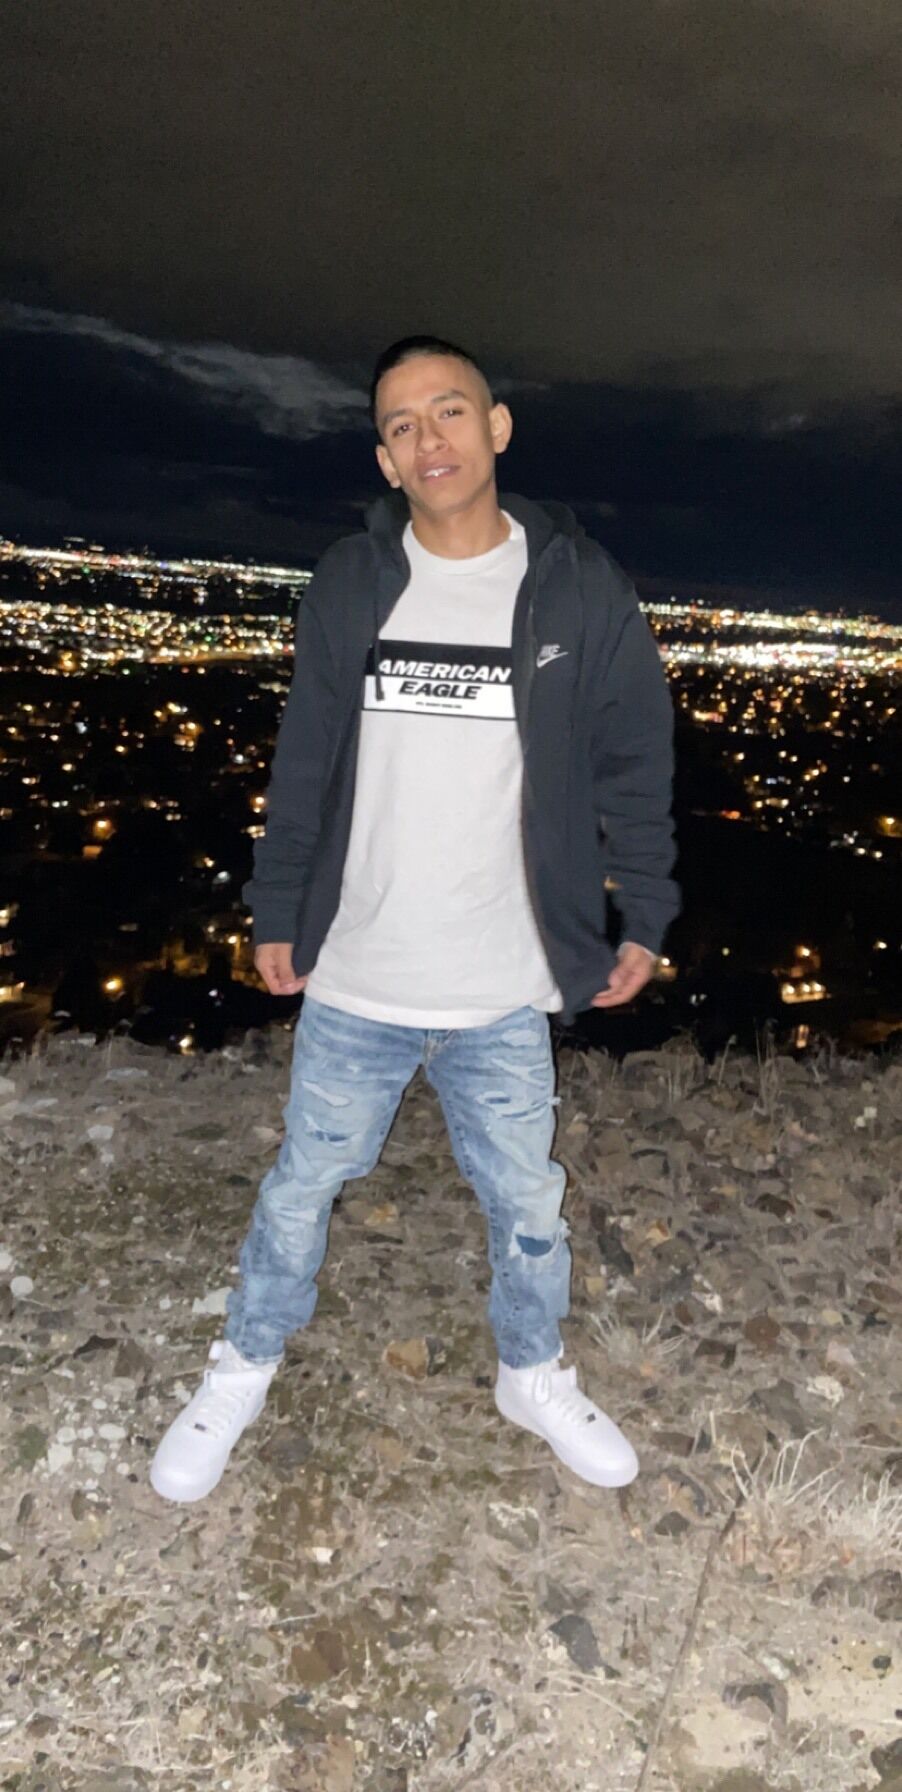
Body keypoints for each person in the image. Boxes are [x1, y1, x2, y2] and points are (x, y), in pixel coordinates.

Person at [150, 335, 679, 1504]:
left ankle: (531, 1371)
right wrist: (277, 903)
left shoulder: (575, 585)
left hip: (502, 978)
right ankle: (243, 1362)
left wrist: (643, 906)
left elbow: (633, 756)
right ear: (385, 460)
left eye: (448, 411)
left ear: (496, 428)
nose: (427, 438)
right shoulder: (352, 579)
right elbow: (305, 759)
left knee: (526, 1198)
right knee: (303, 1181)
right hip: (360, 970)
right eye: (401, 424)